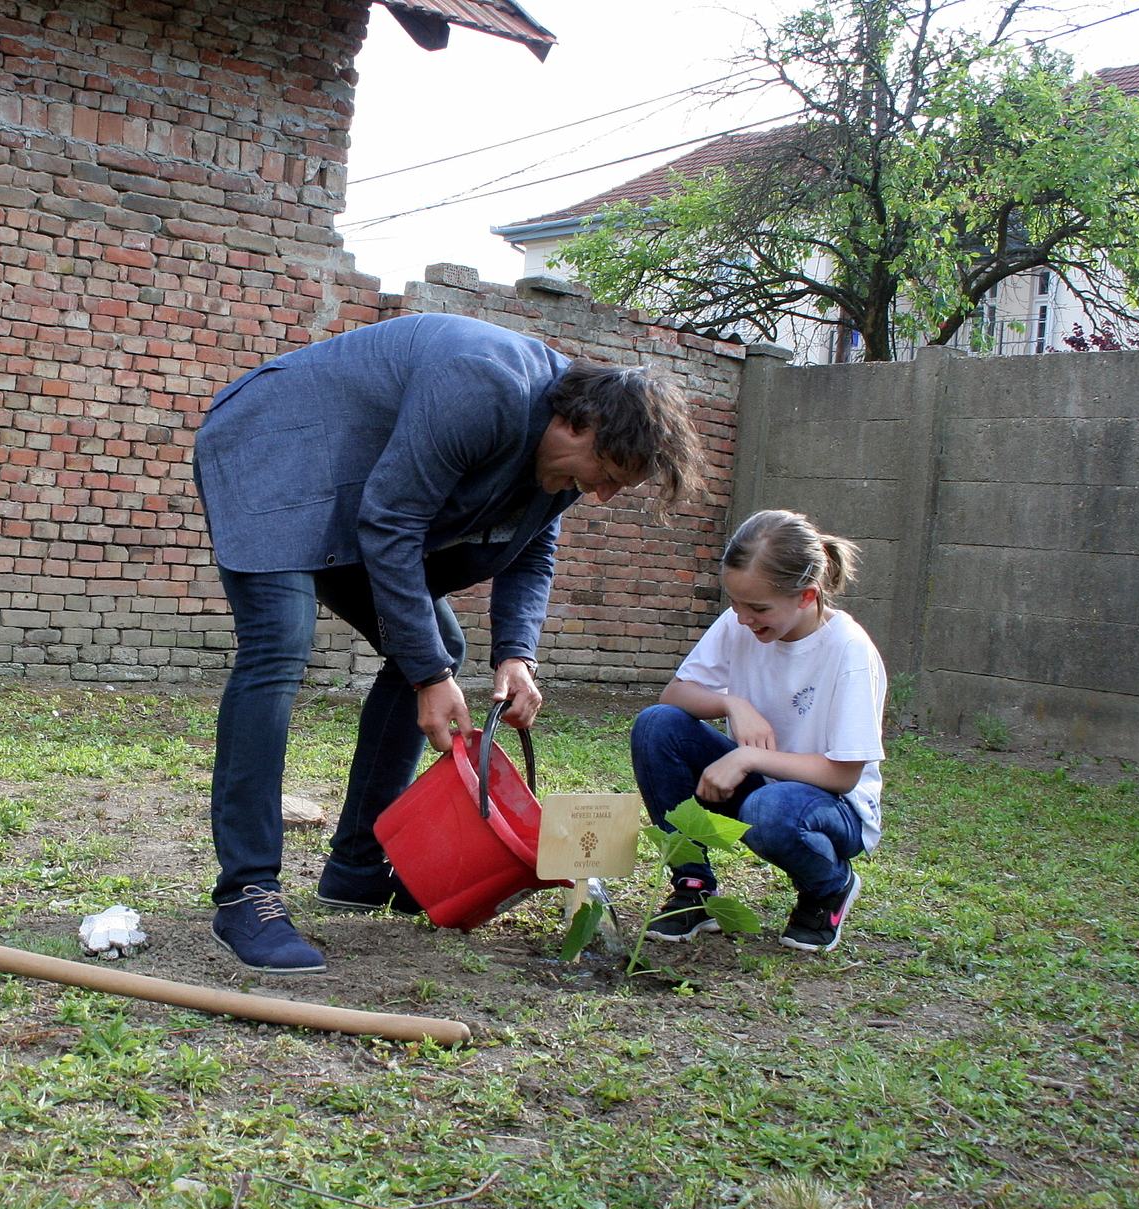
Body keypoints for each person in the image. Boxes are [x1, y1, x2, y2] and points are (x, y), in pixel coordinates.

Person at [193, 312, 704, 973]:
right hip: (273, 441)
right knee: (280, 644)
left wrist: (516, 653)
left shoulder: (565, 453)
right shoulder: (483, 388)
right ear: (580, 424)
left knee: (439, 643)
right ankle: (246, 893)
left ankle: (357, 865)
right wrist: (429, 677)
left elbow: (532, 546)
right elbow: (392, 523)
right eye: (606, 472)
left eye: (616, 486)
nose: (603, 495)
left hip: (353, 479)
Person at [630, 509, 887, 955]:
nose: (743, 617)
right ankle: (693, 887)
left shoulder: (848, 650)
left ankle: (830, 887)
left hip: (834, 808)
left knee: (768, 808)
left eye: (758, 608)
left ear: (807, 596)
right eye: (735, 602)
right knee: (656, 725)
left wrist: (748, 756)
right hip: (760, 789)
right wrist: (733, 703)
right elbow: (676, 694)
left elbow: (844, 774)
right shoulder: (740, 622)